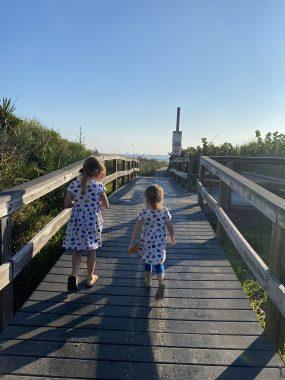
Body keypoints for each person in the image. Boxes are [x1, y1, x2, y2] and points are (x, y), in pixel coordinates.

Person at [63, 156, 109, 291]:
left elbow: (66, 204)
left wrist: (77, 204)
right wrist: (94, 204)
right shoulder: (99, 186)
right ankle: (90, 277)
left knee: (77, 249)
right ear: (97, 172)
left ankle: (73, 275)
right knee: (91, 249)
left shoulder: (73, 185)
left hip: (77, 220)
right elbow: (106, 205)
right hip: (92, 222)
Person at [129, 184, 175, 299]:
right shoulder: (164, 212)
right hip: (160, 244)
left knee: (147, 262)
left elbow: (137, 228)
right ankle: (160, 283)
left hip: (146, 243)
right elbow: (170, 226)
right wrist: (172, 236)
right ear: (161, 198)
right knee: (159, 263)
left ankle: (148, 282)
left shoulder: (144, 212)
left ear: (146, 198)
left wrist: (132, 242)